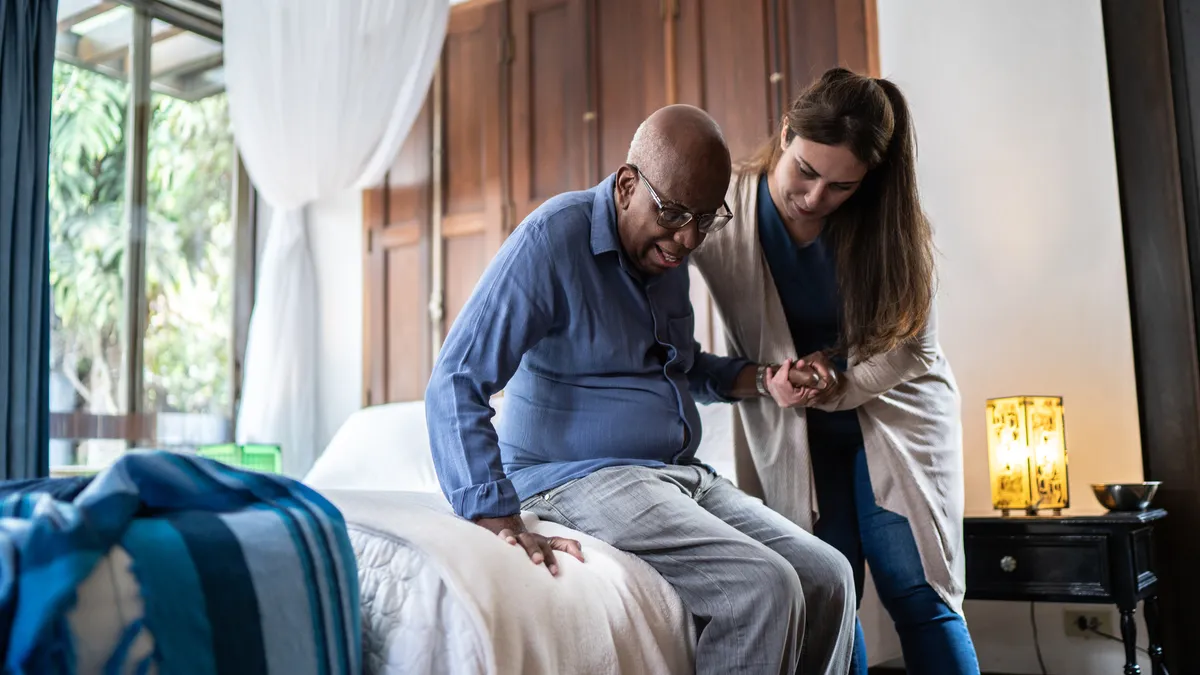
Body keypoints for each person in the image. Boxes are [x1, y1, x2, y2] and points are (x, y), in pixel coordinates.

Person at [425, 104, 856, 675]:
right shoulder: (552, 240)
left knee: (829, 575)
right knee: (761, 587)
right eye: (675, 213)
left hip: (678, 474)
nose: (688, 238)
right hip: (575, 476)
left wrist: (761, 379)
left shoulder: (665, 249)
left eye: (706, 219)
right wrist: (495, 516)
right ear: (628, 185)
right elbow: (456, 379)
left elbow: (681, 367)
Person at [691, 67, 981, 674]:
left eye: (841, 187)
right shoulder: (725, 212)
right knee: (827, 593)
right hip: (794, 424)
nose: (816, 197)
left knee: (916, 589)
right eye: (806, 170)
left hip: (896, 411)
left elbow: (914, 350)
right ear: (786, 131)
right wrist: (762, 378)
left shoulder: (890, 225)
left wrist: (839, 382)